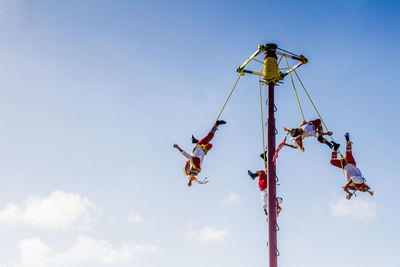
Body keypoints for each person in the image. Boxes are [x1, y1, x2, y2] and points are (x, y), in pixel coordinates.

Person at [173, 120, 226, 186]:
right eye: (197, 172)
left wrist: (177, 147)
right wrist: (190, 182)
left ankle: (216, 124)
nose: (198, 172)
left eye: (196, 172)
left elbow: (184, 153)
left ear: (194, 168)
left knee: (209, 137)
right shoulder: (199, 167)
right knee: (210, 145)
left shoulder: (192, 160)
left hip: (199, 145)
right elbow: (192, 176)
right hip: (204, 149)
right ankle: (195, 140)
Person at [330, 133, 374, 200]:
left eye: (360, 190)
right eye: (361, 188)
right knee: (348, 154)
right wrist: (347, 187)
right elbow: (352, 179)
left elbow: (344, 188)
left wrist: (348, 193)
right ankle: (347, 139)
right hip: (351, 164)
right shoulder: (361, 181)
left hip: (344, 166)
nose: (359, 189)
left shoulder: (354, 187)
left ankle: (335, 147)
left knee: (332, 162)